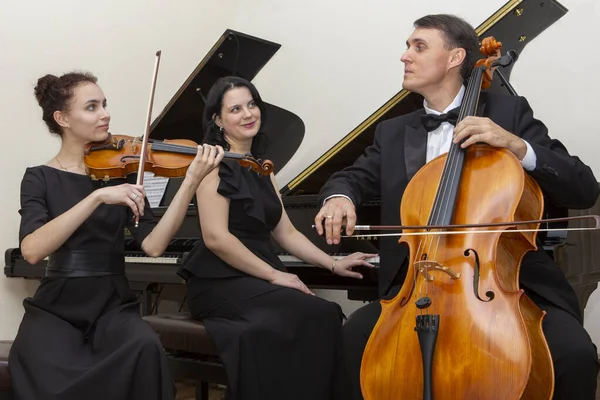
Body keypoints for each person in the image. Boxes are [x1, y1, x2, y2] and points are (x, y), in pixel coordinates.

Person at [315, 14, 600, 400]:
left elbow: (583, 186)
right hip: (416, 287)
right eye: (407, 46)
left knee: (575, 356)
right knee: (353, 343)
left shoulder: (509, 114)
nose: (404, 56)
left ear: (455, 58)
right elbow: (351, 176)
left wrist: (517, 146)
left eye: (418, 46)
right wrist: (338, 197)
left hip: (506, 284)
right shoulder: (393, 131)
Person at [9, 71, 225, 400]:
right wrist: (95, 197)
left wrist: (191, 182)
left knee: (144, 347)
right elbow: (33, 250)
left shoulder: (119, 173)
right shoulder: (39, 178)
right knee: (40, 364)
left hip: (112, 304)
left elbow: (153, 245)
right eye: (92, 107)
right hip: (57, 307)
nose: (105, 114)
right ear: (62, 118)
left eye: (105, 104)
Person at [178, 75, 376, 400]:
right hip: (218, 278)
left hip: (255, 276)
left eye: (252, 104)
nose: (247, 114)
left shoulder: (262, 169)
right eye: (235, 108)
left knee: (321, 315)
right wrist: (276, 275)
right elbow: (215, 238)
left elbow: (286, 232)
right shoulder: (213, 166)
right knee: (316, 313)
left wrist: (334, 264)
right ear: (218, 119)